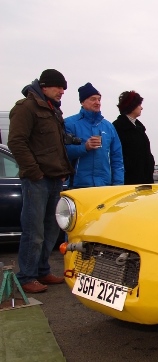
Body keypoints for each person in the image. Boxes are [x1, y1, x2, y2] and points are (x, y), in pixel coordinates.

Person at [7, 69, 74, 293]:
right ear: (44, 86)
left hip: (55, 178)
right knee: (33, 230)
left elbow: (57, 144)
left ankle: (42, 271)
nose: (62, 91)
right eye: (58, 87)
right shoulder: (25, 108)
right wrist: (34, 172)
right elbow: (16, 142)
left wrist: (63, 170)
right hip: (37, 180)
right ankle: (26, 276)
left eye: (64, 87)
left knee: (51, 229)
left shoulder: (53, 110)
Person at [64, 83, 124, 187]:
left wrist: (118, 183)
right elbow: (62, 153)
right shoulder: (69, 124)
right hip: (77, 185)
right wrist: (85, 147)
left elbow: (117, 157)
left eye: (99, 99)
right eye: (93, 99)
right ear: (82, 102)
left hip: (103, 185)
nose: (97, 103)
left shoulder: (108, 126)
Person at [112, 91, 155, 184]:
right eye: (139, 104)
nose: (142, 108)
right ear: (132, 105)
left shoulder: (139, 128)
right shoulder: (118, 127)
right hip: (130, 181)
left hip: (145, 180)